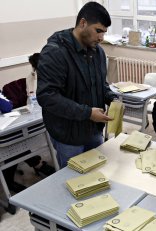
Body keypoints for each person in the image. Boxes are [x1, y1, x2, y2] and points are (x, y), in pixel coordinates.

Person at [37, 2, 117, 168]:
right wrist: (87, 113)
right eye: (98, 30)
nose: (102, 38)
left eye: (104, 32)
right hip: (68, 136)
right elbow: (47, 97)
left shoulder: (98, 52)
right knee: (74, 185)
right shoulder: (55, 52)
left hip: (93, 130)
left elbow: (101, 84)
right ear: (83, 23)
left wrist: (112, 98)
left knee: (98, 176)